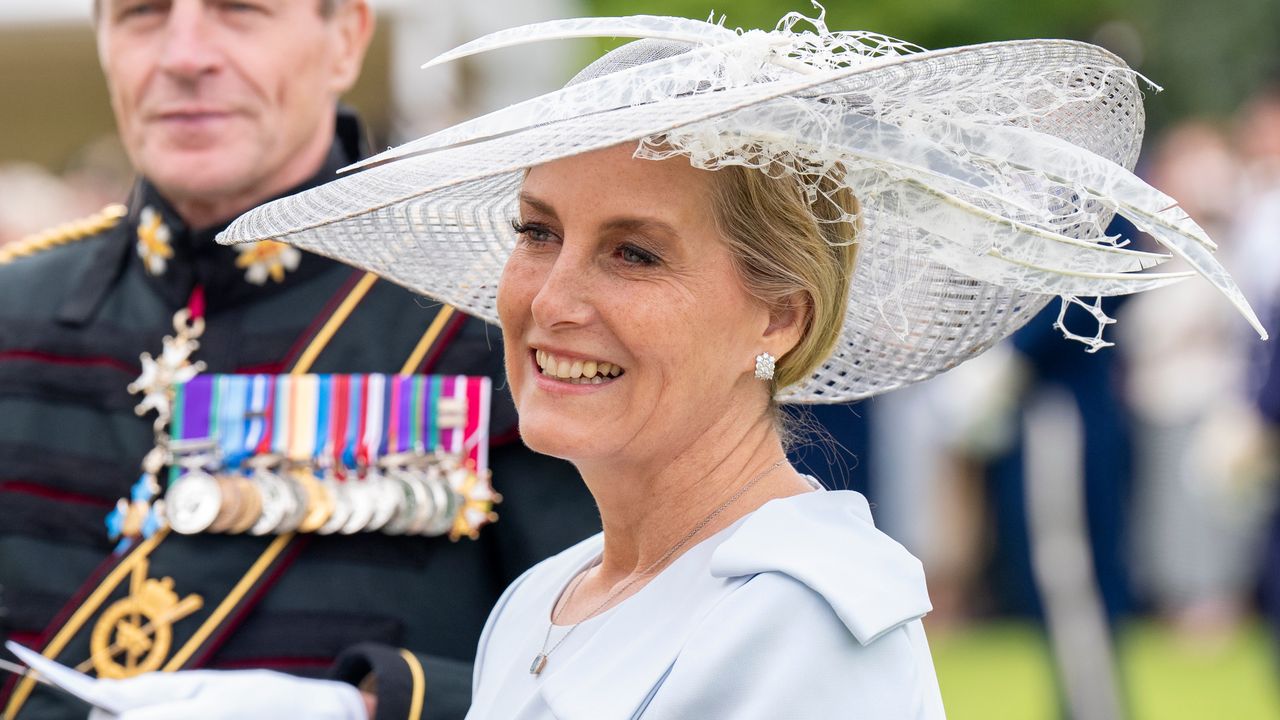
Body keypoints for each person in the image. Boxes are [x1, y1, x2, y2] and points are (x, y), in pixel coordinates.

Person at [137, 9, 1272, 718]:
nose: (553, 298)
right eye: (538, 232)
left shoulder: (801, 623)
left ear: (776, 317)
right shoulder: (546, 597)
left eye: (633, 253)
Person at [0, 1, 596, 719]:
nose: (184, 55)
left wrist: (376, 707)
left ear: (345, 38)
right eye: (143, 13)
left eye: (240, 10)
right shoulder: (13, 314)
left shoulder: (491, 321)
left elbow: (612, 666)